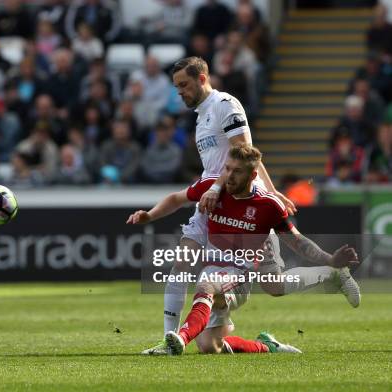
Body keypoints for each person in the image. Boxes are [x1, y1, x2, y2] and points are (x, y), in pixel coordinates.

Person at [141, 57, 359, 355]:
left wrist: (260, 192)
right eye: (177, 86)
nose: (180, 92)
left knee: (274, 285)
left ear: (202, 78)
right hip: (213, 203)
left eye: (184, 85)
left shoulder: (225, 105)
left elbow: (244, 151)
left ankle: (331, 273)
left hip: (241, 204)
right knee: (181, 265)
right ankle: (170, 340)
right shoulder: (201, 115)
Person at [127, 145, 360, 355]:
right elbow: (176, 198)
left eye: (237, 171)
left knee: (215, 286)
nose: (229, 175)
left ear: (253, 176)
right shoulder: (213, 188)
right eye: (227, 168)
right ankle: (267, 346)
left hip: (241, 273)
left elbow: (297, 242)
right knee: (210, 346)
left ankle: (177, 342)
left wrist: (330, 259)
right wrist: (149, 215)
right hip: (214, 268)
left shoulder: (268, 205)